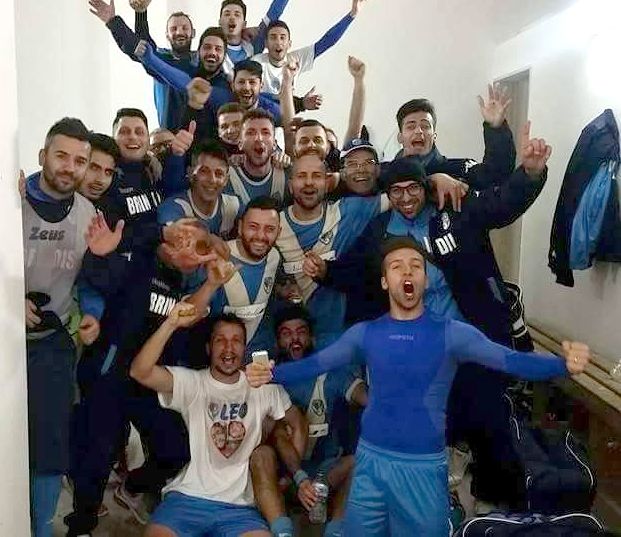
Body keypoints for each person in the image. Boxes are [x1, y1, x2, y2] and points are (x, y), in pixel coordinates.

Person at [246, 236, 592, 536]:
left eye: (416, 266)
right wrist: (271, 374)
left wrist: (562, 364)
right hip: (370, 465)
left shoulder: (452, 333)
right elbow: (316, 364)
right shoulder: (365, 333)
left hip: (423, 468)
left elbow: (510, 360)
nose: (408, 272)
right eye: (397, 267)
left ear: (426, 280)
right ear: (385, 282)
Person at [315, 121, 551, 507]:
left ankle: (506, 509)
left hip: (468, 340)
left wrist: (530, 174)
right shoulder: (380, 230)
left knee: (490, 420)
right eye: (397, 191)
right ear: (388, 194)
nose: (406, 197)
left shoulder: (452, 208)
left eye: (413, 188)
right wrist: (323, 271)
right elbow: (355, 271)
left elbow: (502, 204)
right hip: (416, 352)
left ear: (425, 188)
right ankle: (439, 502)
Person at [22, 118, 122, 536]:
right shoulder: (12, 199)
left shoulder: (89, 216)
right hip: (8, 336)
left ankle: (41, 528)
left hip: (53, 341)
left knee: (50, 443)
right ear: (42, 156)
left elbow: (88, 283)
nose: (70, 167)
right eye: (61, 156)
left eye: (79, 160)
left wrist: (93, 314)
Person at [129, 309, 294, 537]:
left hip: (239, 508)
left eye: (236, 341)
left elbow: (295, 423)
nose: (228, 348)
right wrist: (170, 324)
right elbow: (140, 372)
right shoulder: (194, 383)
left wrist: (292, 478)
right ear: (209, 348)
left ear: (245, 349)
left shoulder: (264, 387)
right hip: (187, 499)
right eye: (220, 340)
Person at [276, 154, 389, 348]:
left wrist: (436, 179)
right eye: (302, 176)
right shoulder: (273, 225)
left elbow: (402, 195)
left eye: (316, 176)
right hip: (299, 343)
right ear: (290, 185)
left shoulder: (349, 211)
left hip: (347, 337)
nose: (309, 182)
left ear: (327, 183)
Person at [272, 304, 358, 537]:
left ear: (311, 338)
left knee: (359, 461)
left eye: (300, 332)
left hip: (324, 473)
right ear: (277, 342)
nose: (294, 339)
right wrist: (296, 478)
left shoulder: (329, 372)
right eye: (286, 334)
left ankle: (336, 531)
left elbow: (359, 393)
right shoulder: (271, 378)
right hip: (286, 476)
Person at [186, 196, 282, 356]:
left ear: (279, 232)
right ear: (240, 227)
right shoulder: (214, 259)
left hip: (257, 359)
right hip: (218, 360)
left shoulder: (274, 257)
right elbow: (186, 318)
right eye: (253, 227)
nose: (260, 236)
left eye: (270, 229)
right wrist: (211, 285)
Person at [251, 0, 365, 95]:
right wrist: (301, 103)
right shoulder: (256, 61)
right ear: (266, 43)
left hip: (285, 114)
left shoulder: (294, 59)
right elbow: (273, 13)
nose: (278, 42)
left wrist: (352, 15)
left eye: (282, 38)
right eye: (273, 37)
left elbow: (326, 42)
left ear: (289, 44)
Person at [158, 140, 243, 239]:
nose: (212, 180)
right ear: (190, 173)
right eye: (204, 171)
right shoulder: (173, 207)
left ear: (226, 180)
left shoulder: (233, 205)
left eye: (219, 173)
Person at [225, 108, 289, 204]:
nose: (258, 138)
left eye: (265, 132)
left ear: (275, 144)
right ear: (240, 144)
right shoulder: (225, 177)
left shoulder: (288, 175)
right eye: (250, 133)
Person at [219, 0, 290, 76]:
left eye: (237, 15)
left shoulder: (253, 46)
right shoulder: (212, 47)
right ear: (219, 22)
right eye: (227, 14)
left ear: (244, 24)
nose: (232, 18)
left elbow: (275, 12)